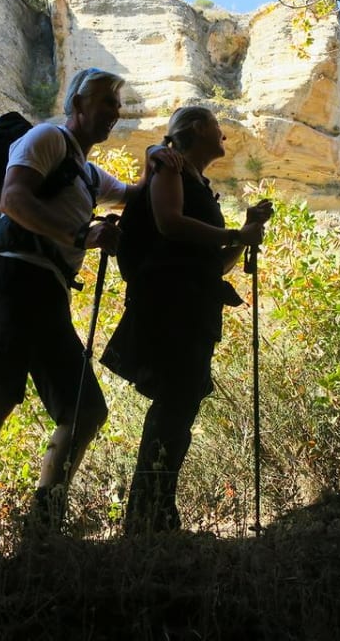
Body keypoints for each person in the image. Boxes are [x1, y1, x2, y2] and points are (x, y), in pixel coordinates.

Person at [0, 67, 180, 557]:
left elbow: (135, 195)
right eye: (103, 102)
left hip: (48, 290)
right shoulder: (45, 139)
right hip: (13, 275)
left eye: (117, 105)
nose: (113, 112)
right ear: (77, 103)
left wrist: (155, 162)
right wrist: (82, 234)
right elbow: (12, 199)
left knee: (84, 410)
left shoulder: (85, 171)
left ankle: (43, 529)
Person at [99, 105, 272, 533]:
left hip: (190, 306)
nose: (224, 139)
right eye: (218, 129)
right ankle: (149, 518)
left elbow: (212, 264)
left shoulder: (192, 180)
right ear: (196, 130)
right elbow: (170, 224)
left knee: (180, 402)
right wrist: (235, 235)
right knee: (176, 401)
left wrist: (244, 233)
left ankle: (154, 514)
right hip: (170, 305)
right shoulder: (168, 167)